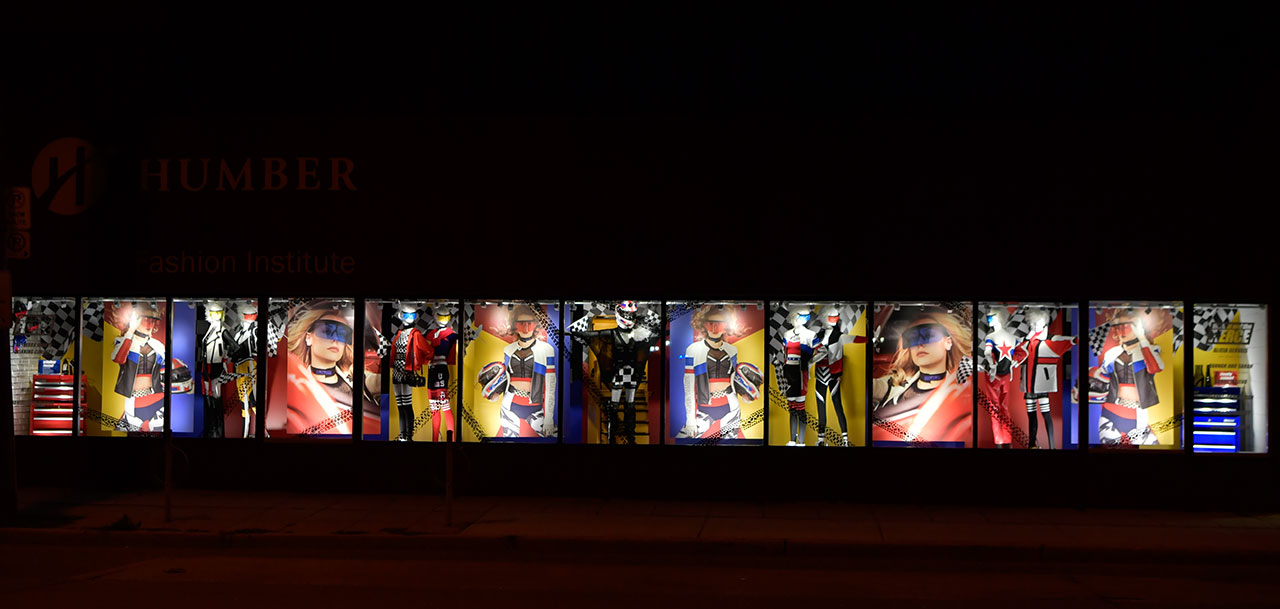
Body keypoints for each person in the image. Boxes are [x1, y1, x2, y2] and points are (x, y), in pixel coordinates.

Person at [871, 309, 973, 445]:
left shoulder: (960, 389)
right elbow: (859, 386)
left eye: (929, 335)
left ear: (948, 342)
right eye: (913, 338)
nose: (920, 344)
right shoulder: (894, 383)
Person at [281, 301, 378, 435]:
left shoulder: (359, 378)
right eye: (327, 331)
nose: (335, 339)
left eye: (342, 334)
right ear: (308, 338)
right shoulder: (296, 382)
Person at [680, 304, 763, 441]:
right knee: (684, 440)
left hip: (731, 407)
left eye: (720, 323)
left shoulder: (732, 350)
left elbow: (734, 379)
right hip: (705, 408)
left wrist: (745, 392)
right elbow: (688, 387)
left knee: (732, 444)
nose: (714, 328)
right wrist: (690, 420)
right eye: (710, 323)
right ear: (703, 324)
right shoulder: (692, 350)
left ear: (726, 326)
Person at [1088, 308, 1168, 446]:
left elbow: (1155, 368)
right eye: (1119, 326)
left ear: (1138, 326)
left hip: (1138, 419)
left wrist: (1142, 338)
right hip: (1110, 415)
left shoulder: (1151, 350)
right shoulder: (1111, 354)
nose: (1122, 331)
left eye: (1127, 326)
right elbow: (1101, 378)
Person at [477, 304, 557, 438]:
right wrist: (494, 391)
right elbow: (506, 377)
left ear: (536, 325)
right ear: (515, 325)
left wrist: (549, 418)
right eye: (521, 324)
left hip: (535, 407)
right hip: (509, 406)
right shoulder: (508, 350)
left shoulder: (546, 349)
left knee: (550, 439)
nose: (526, 328)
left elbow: (550, 386)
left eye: (530, 323)